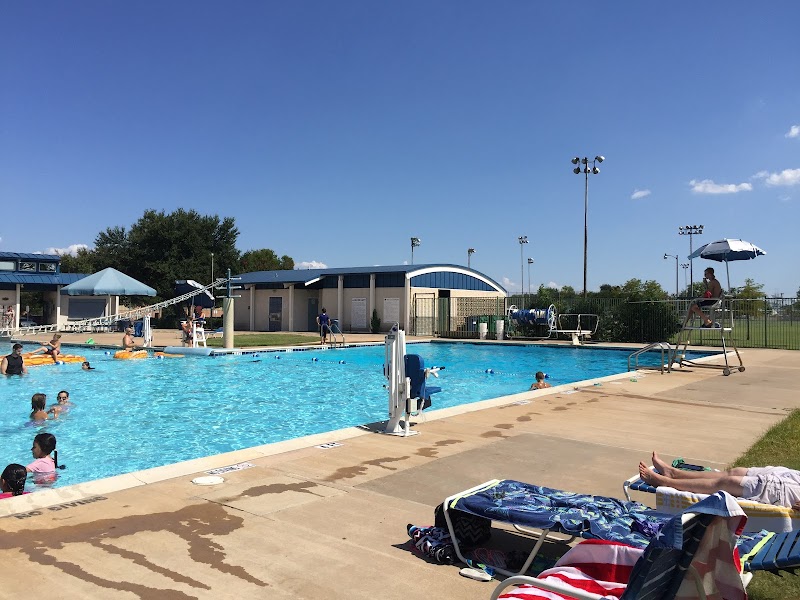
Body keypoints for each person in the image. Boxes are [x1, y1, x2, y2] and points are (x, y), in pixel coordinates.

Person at [639, 451, 800, 510]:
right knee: (735, 472)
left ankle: (665, 482)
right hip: (794, 477)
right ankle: (673, 473)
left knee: (728, 484)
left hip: (790, 491)